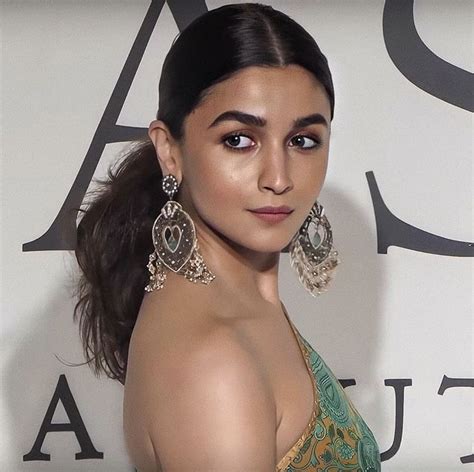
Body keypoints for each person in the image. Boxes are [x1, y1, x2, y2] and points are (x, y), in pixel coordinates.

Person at [73, 3, 381, 471]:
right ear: (169, 151)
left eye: (303, 140)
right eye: (239, 139)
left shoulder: (243, 305)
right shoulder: (212, 365)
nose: (278, 178)